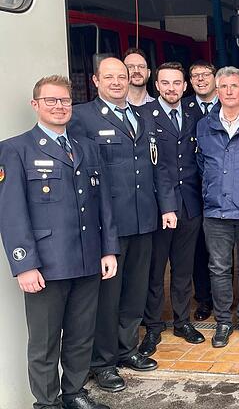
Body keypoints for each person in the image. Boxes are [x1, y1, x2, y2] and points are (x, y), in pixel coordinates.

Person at [0, 75, 119, 409]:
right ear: (35, 105)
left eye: (65, 100)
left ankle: (74, 393)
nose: (59, 107)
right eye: (51, 101)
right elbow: (11, 214)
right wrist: (24, 264)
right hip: (47, 265)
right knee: (45, 342)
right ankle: (47, 402)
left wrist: (108, 249)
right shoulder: (15, 149)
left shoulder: (86, 147)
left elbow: (103, 204)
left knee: (81, 336)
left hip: (87, 259)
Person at [69, 57, 177, 392]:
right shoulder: (83, 117)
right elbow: (81, 176)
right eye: (110, 76)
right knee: (108, 296)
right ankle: (103, 363)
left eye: (123, 76)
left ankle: (127, 349)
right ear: (96, 80)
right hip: (109, 225)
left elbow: (157, 166)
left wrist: (166, 207)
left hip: (144, 220)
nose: (118, 82)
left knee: (135, 292)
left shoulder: (143, 115)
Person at [137, 62, 206, 359]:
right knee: (155, 270)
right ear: (157, 85)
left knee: (183, 268)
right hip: (157, 207)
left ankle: (182, 321)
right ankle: (153, 325)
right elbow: (148, 166)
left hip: (189, 204)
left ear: (185, 86)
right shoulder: (142, 117)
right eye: (165, 83)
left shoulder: (194, 114)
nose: (171, 88)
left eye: (177, 83)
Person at [195, 66, 239, 348]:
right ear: (217, 90)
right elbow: (202, 165)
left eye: (234, 86)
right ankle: (223, 321)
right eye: (223, 86)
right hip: (215, 210)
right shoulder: (204, 125)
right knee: (219, 268)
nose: (228, 91)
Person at [183, 60, 218, 322]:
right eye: (196, 76)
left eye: (206, 74)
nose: (201, 79)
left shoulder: (231, 104)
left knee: (226, 251)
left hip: (222, 190)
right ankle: (204, 300)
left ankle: (229, 299)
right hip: (193, 191)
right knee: (198, 251)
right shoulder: (184, 109)